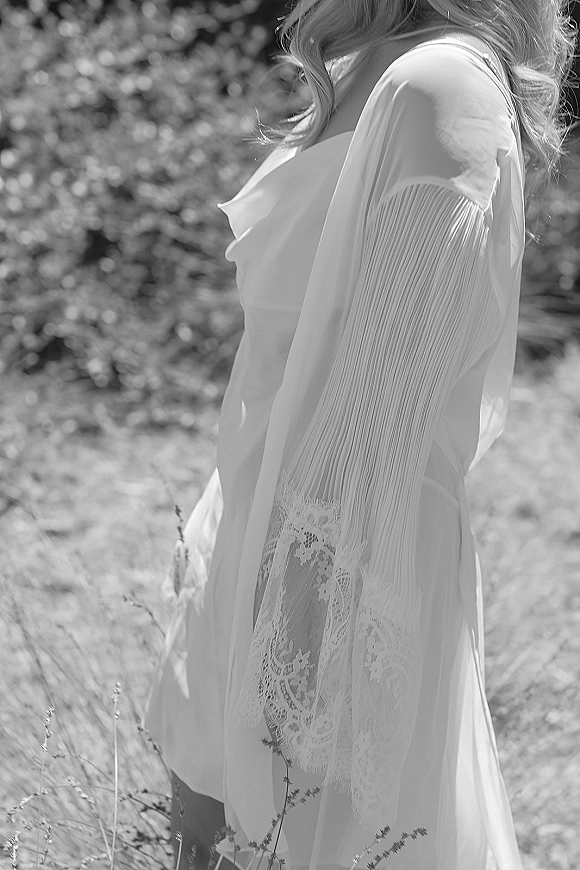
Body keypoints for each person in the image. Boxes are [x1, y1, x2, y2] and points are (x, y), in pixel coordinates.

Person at [143, 2, 576, 868]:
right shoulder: (364, 71)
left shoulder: (439, 83)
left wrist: (305, 613)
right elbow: (289, 357)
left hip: (338, 557)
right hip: (264, 522)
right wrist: (223, 523)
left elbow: (391, 404)